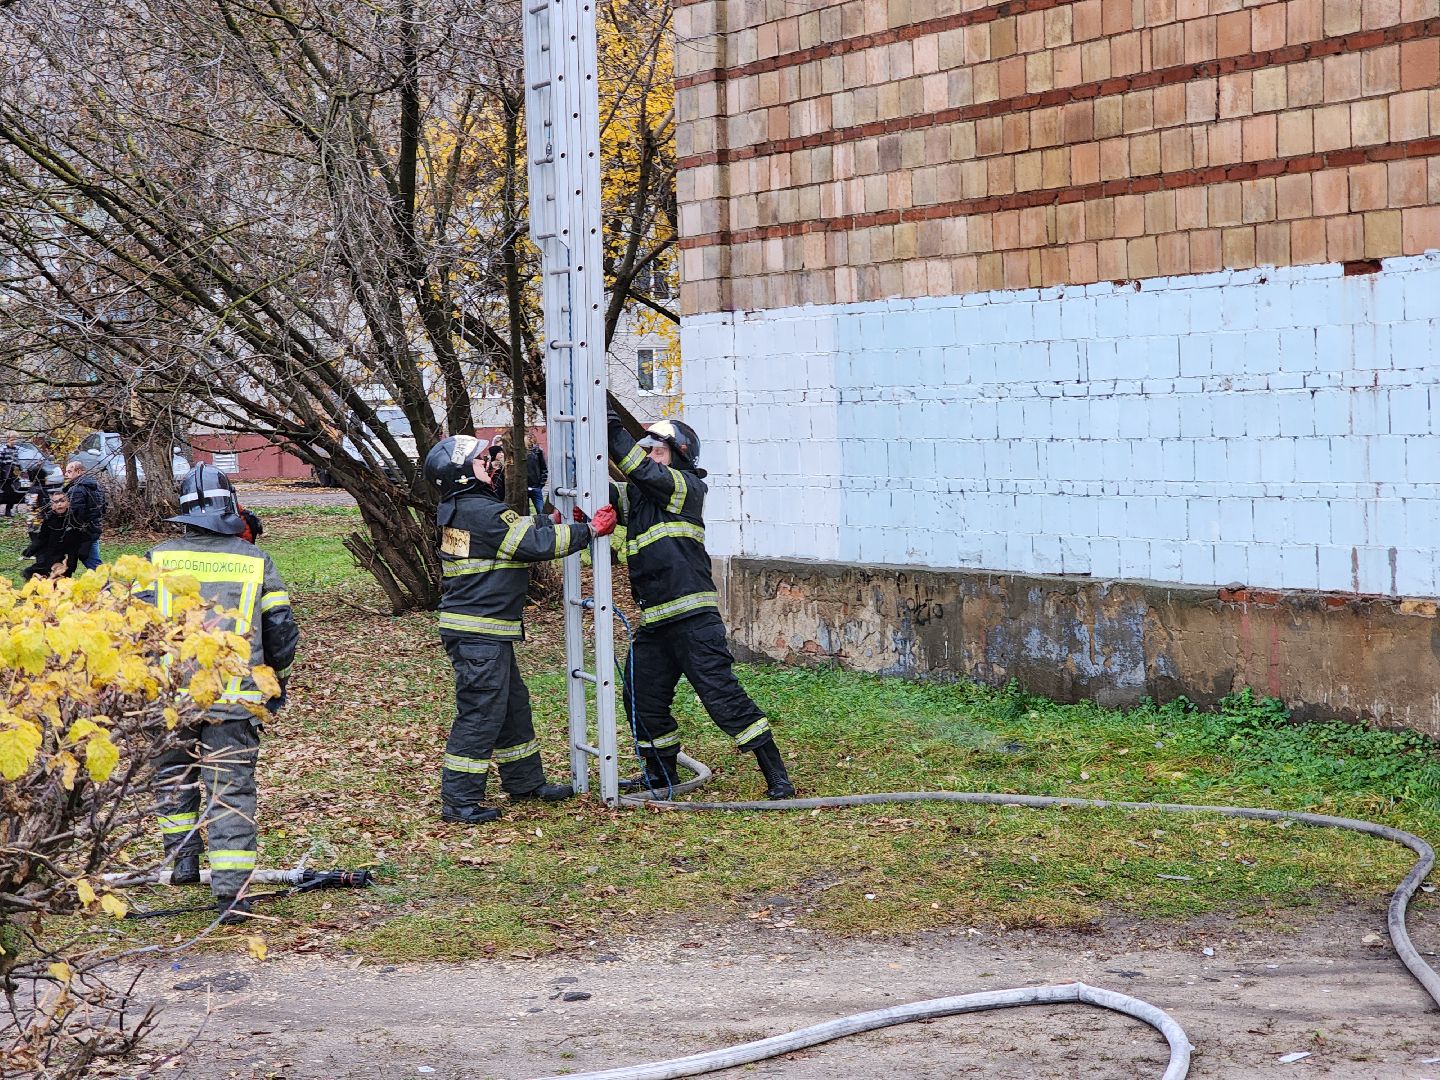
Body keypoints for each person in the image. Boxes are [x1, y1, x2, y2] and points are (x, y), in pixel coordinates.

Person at [423, 434, 616, 824]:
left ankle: (525, 782)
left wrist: (552, 520)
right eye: (482, 461)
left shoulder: (463, 509)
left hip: (484, 631)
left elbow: (509, 536)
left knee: (512, 708)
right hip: (480, 634)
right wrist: (590, 531)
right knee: (480, 713)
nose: (491, 464)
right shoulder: (480, 510)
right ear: (463, 474)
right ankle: (459, 801)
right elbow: (531, 544)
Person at [137, 464, 299, 924]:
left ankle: (183, 864)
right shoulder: (254, 560)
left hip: (169, 700)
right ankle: (231, 897)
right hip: (234, 702)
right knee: (230, 790)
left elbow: (128, 631)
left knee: (174, 780)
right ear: (231, 510)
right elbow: (283, 633)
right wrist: (274, 680)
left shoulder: (155, 559)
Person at [607, 411, 796, 800]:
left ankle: (776, 775)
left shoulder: (685, 486)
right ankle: (661, 775)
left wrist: (609, 425)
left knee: (722, 696)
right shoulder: (641, 496)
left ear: (678, 455)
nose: (648, 456)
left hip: (693, 620)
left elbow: (641, 471)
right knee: (641, 697)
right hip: (656, 623)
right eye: (646, 450)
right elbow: (604, 490)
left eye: (656, 450)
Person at [20, 490, 83, 580]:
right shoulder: (49, 520)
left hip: (65, 557)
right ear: (53, 506)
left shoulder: (74, 520)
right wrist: (29, 551)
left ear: (68, 503)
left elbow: (75, 546)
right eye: (56, 502)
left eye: (62, 501)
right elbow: (41, 539)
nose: (59, 504)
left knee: (60, 579)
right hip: (49, 555)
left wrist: (70, 564)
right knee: (31, 573)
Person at [61, 459, 104, 569]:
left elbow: (73, 513)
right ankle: (106, 583)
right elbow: (103, 507)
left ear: (79, 471)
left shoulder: (78, 489)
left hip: (84, 531)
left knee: (92, 561)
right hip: (94, 527)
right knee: (92, 559)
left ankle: (107, 584)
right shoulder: (95, 486)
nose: (66, 474)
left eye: (69, 471)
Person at [0, 432, 23, 516]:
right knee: (7, 492)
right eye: (12, 439)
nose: (14, 441)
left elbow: (17, 462)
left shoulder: (16, 450)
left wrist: (19, 473)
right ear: (8, 440)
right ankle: (7, 510)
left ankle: (9, 509)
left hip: (14, 474)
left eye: (15, 439)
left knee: (14, 493)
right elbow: (1, 462)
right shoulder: (3, 449)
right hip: (5, 475)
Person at [525, 430, 548, 515]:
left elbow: (543, 468)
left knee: (541, 511)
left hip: (536, 486)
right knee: (525, 512)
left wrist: (541, 483)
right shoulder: (520, 453)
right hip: (524, 487)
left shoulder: (537, 452)